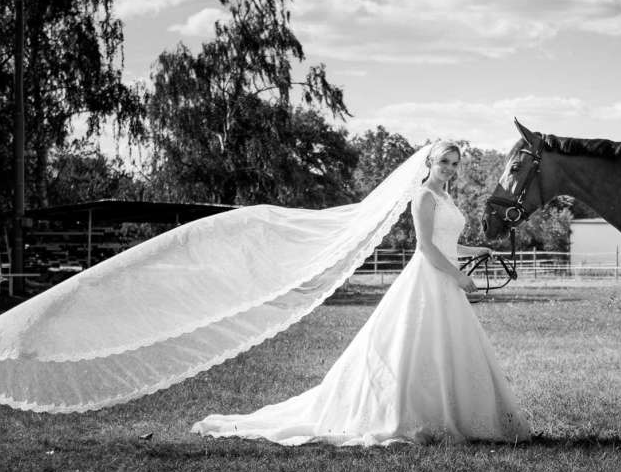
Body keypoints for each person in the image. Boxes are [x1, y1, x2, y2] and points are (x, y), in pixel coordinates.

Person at [190, 141, 532, 446]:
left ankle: (450, 413)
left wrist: (476, 251)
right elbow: (426, 247)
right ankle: (405, 414)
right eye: (444, 162)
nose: (450, 169)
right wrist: (457, 275)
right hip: (429, 278)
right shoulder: (424, 196)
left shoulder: (445, 197)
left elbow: (446, 243)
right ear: (430, 162)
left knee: (446, 346)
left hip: (445, 279)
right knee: (412, 346)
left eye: (455, 164)